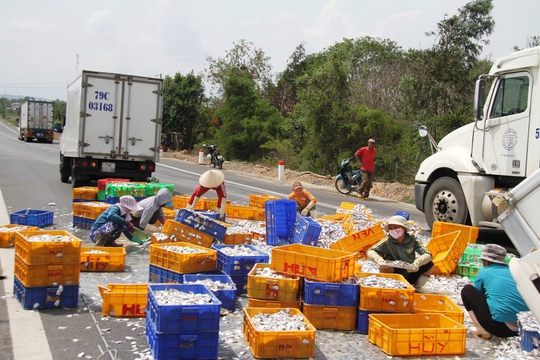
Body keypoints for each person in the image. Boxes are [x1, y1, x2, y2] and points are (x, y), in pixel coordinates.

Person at [460, 244, 529, 339]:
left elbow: (478, 297)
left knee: (467, 290)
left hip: (501, 329)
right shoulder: (513, 272)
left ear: (486, 261)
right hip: (524, 328)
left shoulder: (483, 272)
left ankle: (481, 329)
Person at [366, 215, 434, 289]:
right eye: (391, 228)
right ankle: (390, 286)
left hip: (410, 271)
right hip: (394, 273)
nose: (393, 230)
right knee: (385, 265)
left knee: (429, 265)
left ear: (403, 229)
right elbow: (370, 251)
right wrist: (378, 259)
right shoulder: (387, 241)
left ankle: (416, 288)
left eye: (395, 227)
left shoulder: (412, 240)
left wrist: (417, 263)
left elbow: (427, 254)